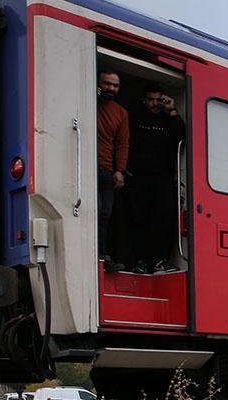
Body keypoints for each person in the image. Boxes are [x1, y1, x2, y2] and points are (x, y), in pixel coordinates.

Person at [126, 84, 185, 274]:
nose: (154, 103)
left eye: (158, 99)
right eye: (150, 99)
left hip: (163, 179)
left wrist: (173, 111)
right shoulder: (134, 118)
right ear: (144, 100)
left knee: (164, 221)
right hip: (138, 178)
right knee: (138, 221)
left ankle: (161, 260)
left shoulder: (169, 120)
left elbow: (181, 137)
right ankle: (140, 261)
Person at [96, 70, 129, 273]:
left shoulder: (121, 113)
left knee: (105, 214)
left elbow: (122, 144)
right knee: (96, 211)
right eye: (107, 84)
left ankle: (103, 253)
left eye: (115, 85)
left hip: (108, 170)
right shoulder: (89, 101)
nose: (111, 88)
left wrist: (120, 170)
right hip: (89, 166)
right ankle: (98, 253)